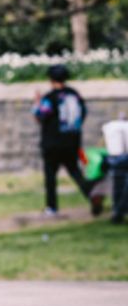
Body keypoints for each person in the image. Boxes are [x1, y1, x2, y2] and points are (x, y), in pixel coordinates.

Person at [34, 63, 101, 217]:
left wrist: (36, 104)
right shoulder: (74, 95)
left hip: (52, 142)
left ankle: (52, 207)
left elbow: (41, 116)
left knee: (50, 176)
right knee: (75, 171)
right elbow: (82, 114)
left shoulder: (50, 98)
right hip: (72, 141)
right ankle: (92, 194)